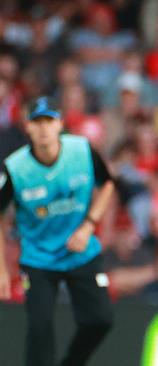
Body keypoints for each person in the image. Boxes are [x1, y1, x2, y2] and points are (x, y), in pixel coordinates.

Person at [0, 97, 115, 366]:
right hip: (38, 257)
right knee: (39, 328)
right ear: (27, 127)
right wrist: (2, 269)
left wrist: (88, 226)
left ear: (60, 124)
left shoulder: (83, 151)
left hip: (80, 251)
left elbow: (107, 184)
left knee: (101, 320)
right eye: (37, 122)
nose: (43, 128)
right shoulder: (16, 168)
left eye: (49, 121)